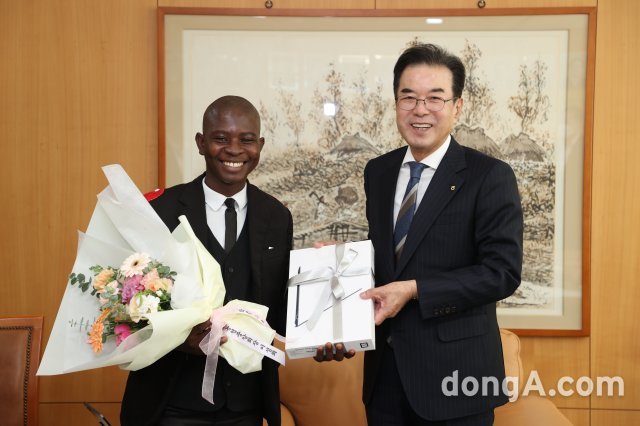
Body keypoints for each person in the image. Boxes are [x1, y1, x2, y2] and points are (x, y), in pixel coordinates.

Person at [317, 43, 524, 425]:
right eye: (408, 97)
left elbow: (502, 273)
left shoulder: (489, 176)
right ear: (396, 103)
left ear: (457, 107)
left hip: (456, 379)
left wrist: (414, 290)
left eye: (435, 98)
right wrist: (342, 261)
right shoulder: (378, 172)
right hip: (385, 379)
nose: (420, 109)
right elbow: (393, 255)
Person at [120, 95, 293, 426]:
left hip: (246, 404)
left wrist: (325, 329)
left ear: (260, 145)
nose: (234, 149)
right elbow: (127, 308)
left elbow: (280, 309)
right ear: (201, 143)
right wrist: (179, 339)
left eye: (246, 140)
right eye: (220, 138)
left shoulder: (277, 216)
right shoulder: (160, 210)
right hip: (170, 403)